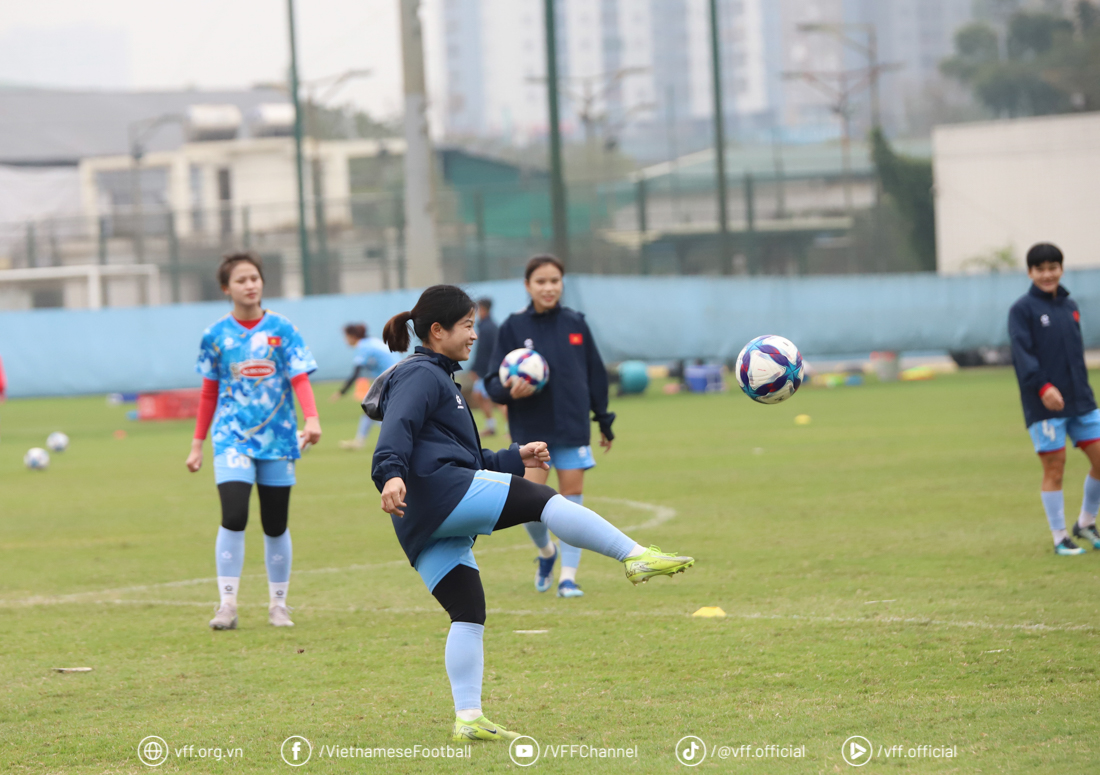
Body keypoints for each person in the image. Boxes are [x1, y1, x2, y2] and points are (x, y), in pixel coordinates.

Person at [371, 284, 694, 742]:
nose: (474, 336)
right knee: (541, 502)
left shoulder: (440, 378)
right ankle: (634, 555)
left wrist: (515, 454)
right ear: (438, 330)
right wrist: (390, 473)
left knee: (467, 610)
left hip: (422, 516)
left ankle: (468, 717)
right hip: (438, 493)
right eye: (467, 326)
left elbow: (467, 456)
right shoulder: (421, 375)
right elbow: (398, 427)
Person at [186, 252, 322, 629]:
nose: (250, 285)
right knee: (234, 515)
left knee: (275, 523)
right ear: (226, 288)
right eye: (242, 280)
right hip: (231, 438)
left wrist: (311, 417)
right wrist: (197, 444)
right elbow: (209, 393)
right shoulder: (215, 336)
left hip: (278, 439)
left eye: (255, 278)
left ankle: (278, 605)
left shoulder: (283, 329)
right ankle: (226, 605)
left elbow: (299, 378)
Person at [483, 255, 614, 598]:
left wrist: (603, 420)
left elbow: (595, 375)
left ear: (562, 284)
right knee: (530, 506)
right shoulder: (512, 327)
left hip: (571, 427)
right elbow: (492, 381)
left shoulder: (576, 323)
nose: (548, 287)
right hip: (531, 431)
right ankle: (546, 553)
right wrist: (509, 390)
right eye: (540, 281)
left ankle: (568, 578)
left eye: (555, 280)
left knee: (571, 504)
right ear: (527, 286)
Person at [1009, 242, 1100, 556]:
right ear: (1030, 272)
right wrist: (1043, 387)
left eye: (1053, 267)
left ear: (1061, 269)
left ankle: (1086, 522)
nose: (1047, 274)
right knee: (1055, 469)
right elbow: (1023, 357)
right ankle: (1060, 536)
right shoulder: (1022, 310)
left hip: (1081, 401)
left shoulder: (1069, 305)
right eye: (1040, 269)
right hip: (1044, 404)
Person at [331, 323, 401, 450]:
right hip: (397, 375)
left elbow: (356, 373)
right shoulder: (371, 342)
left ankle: (399, 436)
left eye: (345, 336)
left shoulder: (363, 347)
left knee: (378, 412)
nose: (344, 340)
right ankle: (360, 441)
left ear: (352, 336)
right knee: (371, 409)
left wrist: (341, 392)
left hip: (391, 378)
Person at [467, 298, 505, 436]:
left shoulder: (486, 328)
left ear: (482, 309)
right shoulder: (491, 326)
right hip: (491, 368)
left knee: (498, 399)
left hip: (488, 370)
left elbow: (482, 351)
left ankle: (509, 429)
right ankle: (491, 427)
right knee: (479, 396)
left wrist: (475, 369)